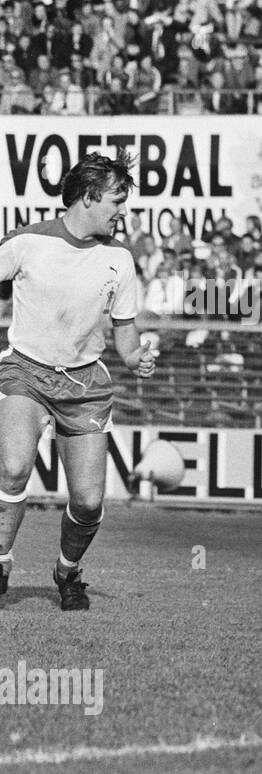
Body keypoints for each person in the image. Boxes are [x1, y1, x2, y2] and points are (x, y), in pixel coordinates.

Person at [0, 149, 156, 610]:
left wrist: (137, 359)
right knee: (11, 468)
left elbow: (126, 341)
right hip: (24, 370)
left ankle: (67, 573)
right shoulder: (28, 242)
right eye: (115, 201)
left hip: (85, 384)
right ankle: (1, 562)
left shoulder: (120, 261)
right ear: (88, 197)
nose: (121, 211)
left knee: (88, 501)